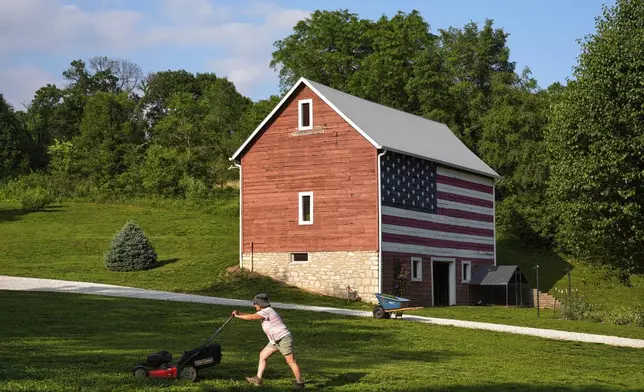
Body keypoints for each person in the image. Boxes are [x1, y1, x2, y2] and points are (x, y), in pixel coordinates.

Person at [232, 293, 304, 389]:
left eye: (255, 303)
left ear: (260, 304)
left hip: (283, 338)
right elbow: (253, 315)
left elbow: (251, 317)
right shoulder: (264, 312)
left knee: (290, 361)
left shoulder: (267, 311)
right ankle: (258, 379)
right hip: (275, 340)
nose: (254, 305)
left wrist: (237, 316)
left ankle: (300, 383)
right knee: (262, 355)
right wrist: (239, 313)